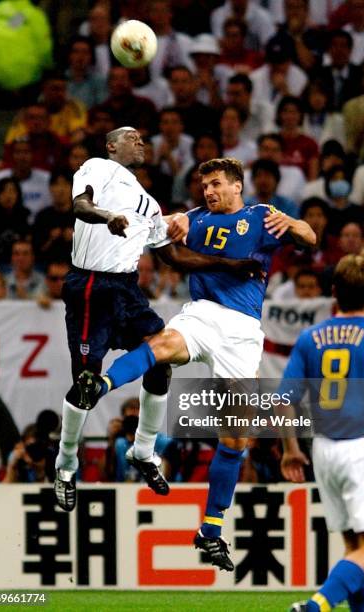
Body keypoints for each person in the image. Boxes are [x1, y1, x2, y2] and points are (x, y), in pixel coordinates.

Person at [74, 157, 316, 570]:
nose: (209, 191)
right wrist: (168, 228)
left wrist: (292, 225)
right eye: (204, 185)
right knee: (165, 344)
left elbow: (310, 237)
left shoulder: (261, 216)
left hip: (243, 333)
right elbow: (157, 236)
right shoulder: (193, 219)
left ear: (237, 187)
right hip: (203, 313)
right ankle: (100, 385)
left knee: (237, 439)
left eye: (217, 184)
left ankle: (210, 530)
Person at [53, 131, 263, 512]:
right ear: (111, 146)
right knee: (84, 384)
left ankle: (144, 450)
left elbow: (176, 259)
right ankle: (66, 464)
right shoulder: (98, 168)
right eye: (130, 138)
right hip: (89, 287)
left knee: (160, 358)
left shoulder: (149, 205)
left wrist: (229, 264)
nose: (140, 142)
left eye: (141, 138)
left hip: (127, 289)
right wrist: (109, 216)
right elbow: (82, 207)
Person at [280, 254, 364, 612]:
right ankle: (317, 605)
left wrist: (290, 449)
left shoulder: (309, 338)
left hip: (324, 452)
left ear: (334, 292)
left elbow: (283, 400)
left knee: (357, 548)